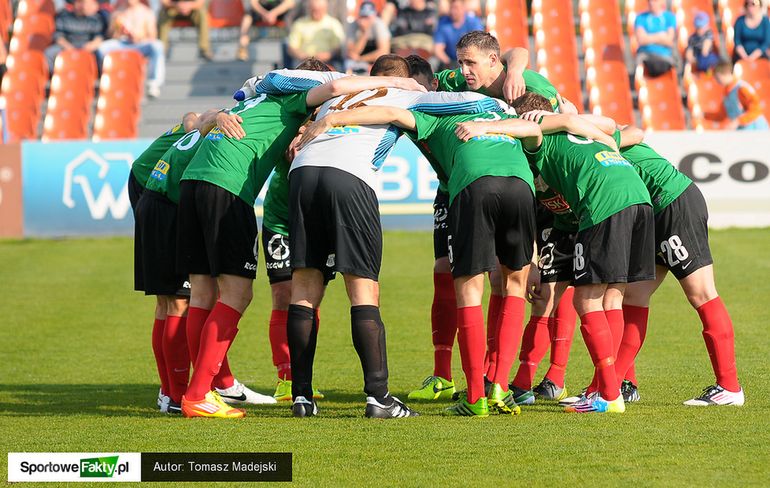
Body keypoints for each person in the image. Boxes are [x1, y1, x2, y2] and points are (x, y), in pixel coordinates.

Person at [176, 61, 428, 419]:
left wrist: (214, 115)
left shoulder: (254, 99)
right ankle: (200, 392)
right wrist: (395, 82)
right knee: (238, 293)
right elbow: (336, 87)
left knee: (204, 294)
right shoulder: (295, 100)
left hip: (192, 182)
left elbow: (194, 119)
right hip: (228, 187)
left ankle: (197, 391)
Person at [286, 54, 502, 419]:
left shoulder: (334, 99)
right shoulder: (406, 94)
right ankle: (378, 397)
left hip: (303, 173)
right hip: (350, 177)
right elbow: (475, 102)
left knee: (304, 287)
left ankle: (301, 397)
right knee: (363, 288)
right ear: (405, 78)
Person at [482, 91, 655, 414]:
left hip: (604, 204)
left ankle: (608, 394)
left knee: (585, 300)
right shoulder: (576, 134)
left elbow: (531, 131)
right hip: (637, 199)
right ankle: (605, 388)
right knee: (611, 298)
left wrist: (483, 127)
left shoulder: (541, 136)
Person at [610, 127, 745, 406]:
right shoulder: (582, 134)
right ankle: (615, 385)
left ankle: (729, 388)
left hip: (673, 203)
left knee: (702, 293)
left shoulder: (587, 132)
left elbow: (636, 131)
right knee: (634, 295)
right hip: (653, 214)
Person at [260, 157, 324, 402]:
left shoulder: (328, 129)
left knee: (310, 296)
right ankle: (285, 377)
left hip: (312, 222)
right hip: (280, 222)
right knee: (283, 295)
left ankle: (304, 375)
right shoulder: (289, 124)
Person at [98, 0, 165, 98]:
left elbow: (152, 36)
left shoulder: (146, 12)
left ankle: (153, 83)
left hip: (140, 44)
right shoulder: (118, 11)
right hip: (121, 43)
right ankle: (107, 78)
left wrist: (139, 37)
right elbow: (110, 35)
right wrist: (116, 27)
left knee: (157, 45)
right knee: (102, 48)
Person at [44, 0, 107, 72]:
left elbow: (99, 37)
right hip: (68, 45)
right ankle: (53, 76)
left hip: (87, 46)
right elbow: (58, 36)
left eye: (84, 3)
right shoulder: (64, 16)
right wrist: (68, 47)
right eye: (79, 2)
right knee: (49, 53)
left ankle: (99, 77)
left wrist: (91, 45)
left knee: (101, 52)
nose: (82, 5)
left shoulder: (96, 19)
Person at [285, 0, 345, 71]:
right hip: (304, 63)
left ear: (325, 9)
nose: (316, 13)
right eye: (313, 10)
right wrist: (304, 57)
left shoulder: (334, 24)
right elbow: (292, 48)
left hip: (328, 62)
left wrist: (328, 55)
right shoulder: (299, 24)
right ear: (309, 8)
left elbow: (338, 47)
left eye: (318, 10)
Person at [712, 59, 769, 130]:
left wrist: (738, 121)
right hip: (743, 132)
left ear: (727, 73)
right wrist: (703, 115)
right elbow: (722, 115)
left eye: (718, 77)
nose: (717, 81)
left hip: (756, 129)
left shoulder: (742, 88)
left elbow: (756, 110)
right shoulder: (726, 93)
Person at [433, 0, 483, 69]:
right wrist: (449, 62)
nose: (453, 11)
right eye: (451, 8)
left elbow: (478, 45)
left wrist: (465, 62)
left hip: (469, 59)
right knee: (432, 62)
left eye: (456, 8)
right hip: (449, 61)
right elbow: (438, 49)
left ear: (463, 8)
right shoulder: (443, 23)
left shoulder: (474, 22)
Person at [345, 1, 391, 74]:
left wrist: (361, 59)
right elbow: (351, 53)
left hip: (375, 62)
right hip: (358, 64)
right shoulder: (353, 25)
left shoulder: (379, 25)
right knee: (348, 64)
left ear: (374, 16)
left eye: (368, 17)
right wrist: (364, 34)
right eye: (363, 16)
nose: (364, 20)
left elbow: (384, 51)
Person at [634, 0, 677, 77]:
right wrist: (661, 36)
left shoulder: (669, 17)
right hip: (645, 56)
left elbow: (669, 41)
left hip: (664, 57)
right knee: (641, 66)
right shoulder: (640, 18)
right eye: (649, 1)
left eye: (655, 1)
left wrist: (648, 37)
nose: (651, 3)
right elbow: (641, 40)